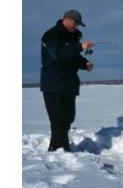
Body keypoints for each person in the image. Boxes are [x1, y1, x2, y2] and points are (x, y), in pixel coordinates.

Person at [40, 9, 94, 152]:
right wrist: (80, 47)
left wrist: (84, 64)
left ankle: (60, 148)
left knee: (68, 118)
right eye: (75, 23)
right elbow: (58, 54)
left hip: (69, 84)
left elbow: (72, 56)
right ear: (67, 19)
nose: (76, 27)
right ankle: (59, 150)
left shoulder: (73, 37)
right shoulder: (52, 35)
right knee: (58, 120)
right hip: (53, 83)